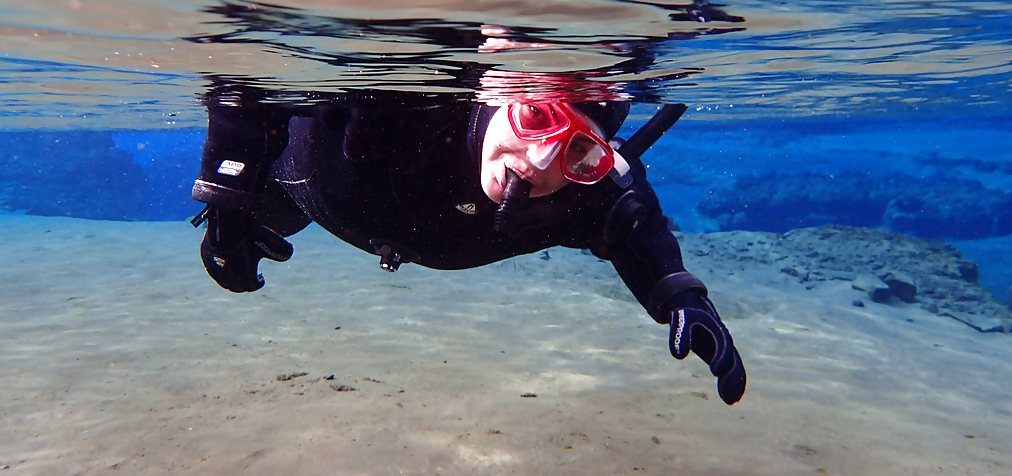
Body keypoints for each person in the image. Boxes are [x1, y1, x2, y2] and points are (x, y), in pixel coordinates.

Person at [189, 85, 747, 405]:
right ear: (503, 95)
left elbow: (634, 227)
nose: (540, 162)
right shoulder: (415, 100)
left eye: (579, 153)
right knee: (275, 218)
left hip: (367, 212)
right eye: (535, 117)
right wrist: (228, 204)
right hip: (310, 187)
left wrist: (681, 298)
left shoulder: (584, 193)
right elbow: (246, 91)